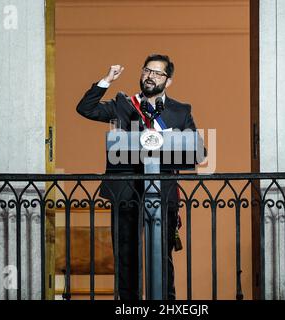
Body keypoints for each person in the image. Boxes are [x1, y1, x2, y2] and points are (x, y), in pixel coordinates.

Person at [76, 54, 202, 300]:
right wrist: (106, 81)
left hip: (163, 191)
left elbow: (198, 150)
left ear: (168, 81)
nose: (150, 76)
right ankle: (128, 303)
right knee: (126, 254)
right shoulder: (123, 104)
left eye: (157, 73)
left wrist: (167, 141)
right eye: (147, 70)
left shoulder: (180, 111)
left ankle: (166, 302)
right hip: (126, 191)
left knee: (162, 255)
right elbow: (85, 109)